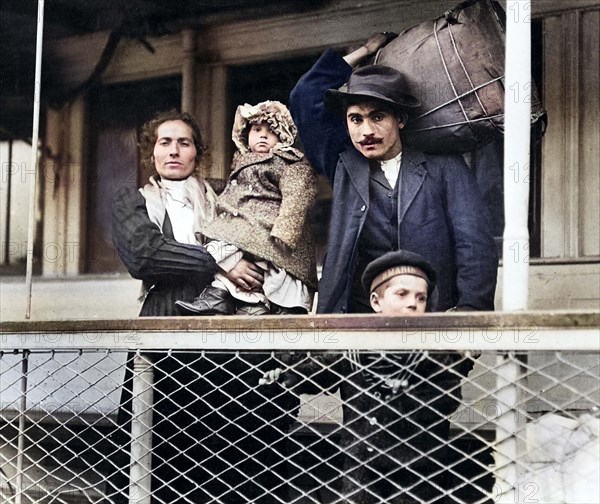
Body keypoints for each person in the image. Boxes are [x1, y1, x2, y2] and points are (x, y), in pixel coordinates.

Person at [110, 110, 297, 503]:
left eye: (185, 142)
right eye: (165, 142)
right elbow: (145, 256)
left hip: (223, 323)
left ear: (197, 152)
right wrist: (220, 260)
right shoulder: (133, 200)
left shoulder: (225, 195)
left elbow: (259, 234)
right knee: (160, 435)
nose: (174, 151)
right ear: (152, 152)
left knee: (226, 435)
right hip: (165, 320)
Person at [288, 33, 499, 315]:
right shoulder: (343, 165)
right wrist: (364, 50)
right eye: (356, 119)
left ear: (400, 120)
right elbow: (305, 95)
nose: (366, 132)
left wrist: (471, 308)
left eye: (378, 117)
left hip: (430, 319)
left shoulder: (444, 166)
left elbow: (473, 242)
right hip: (357, 323)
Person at [261, 250, 470, 503]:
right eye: (401, 294)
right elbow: (320, 372)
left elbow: (448, 396)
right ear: (375, 301)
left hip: (415, 464)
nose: (413, 303)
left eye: (421, 297)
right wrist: (288, 376)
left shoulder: (431, 352)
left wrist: (409, 392)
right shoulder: (355, 345)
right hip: (361, 462)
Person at [175, 100, 318, 316]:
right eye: (257, 130)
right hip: (244, 222)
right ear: (245, 135)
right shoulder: (241, 162)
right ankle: (218, 295)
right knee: (220, 243)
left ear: (283, 138)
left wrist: (286, 228)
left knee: (270, 268)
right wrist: (206, 186)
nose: (263, 135)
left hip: (268, 223)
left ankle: (271, 306)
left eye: (271, 131)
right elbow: (232, 189)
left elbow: (297, 194)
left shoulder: (288, 162)